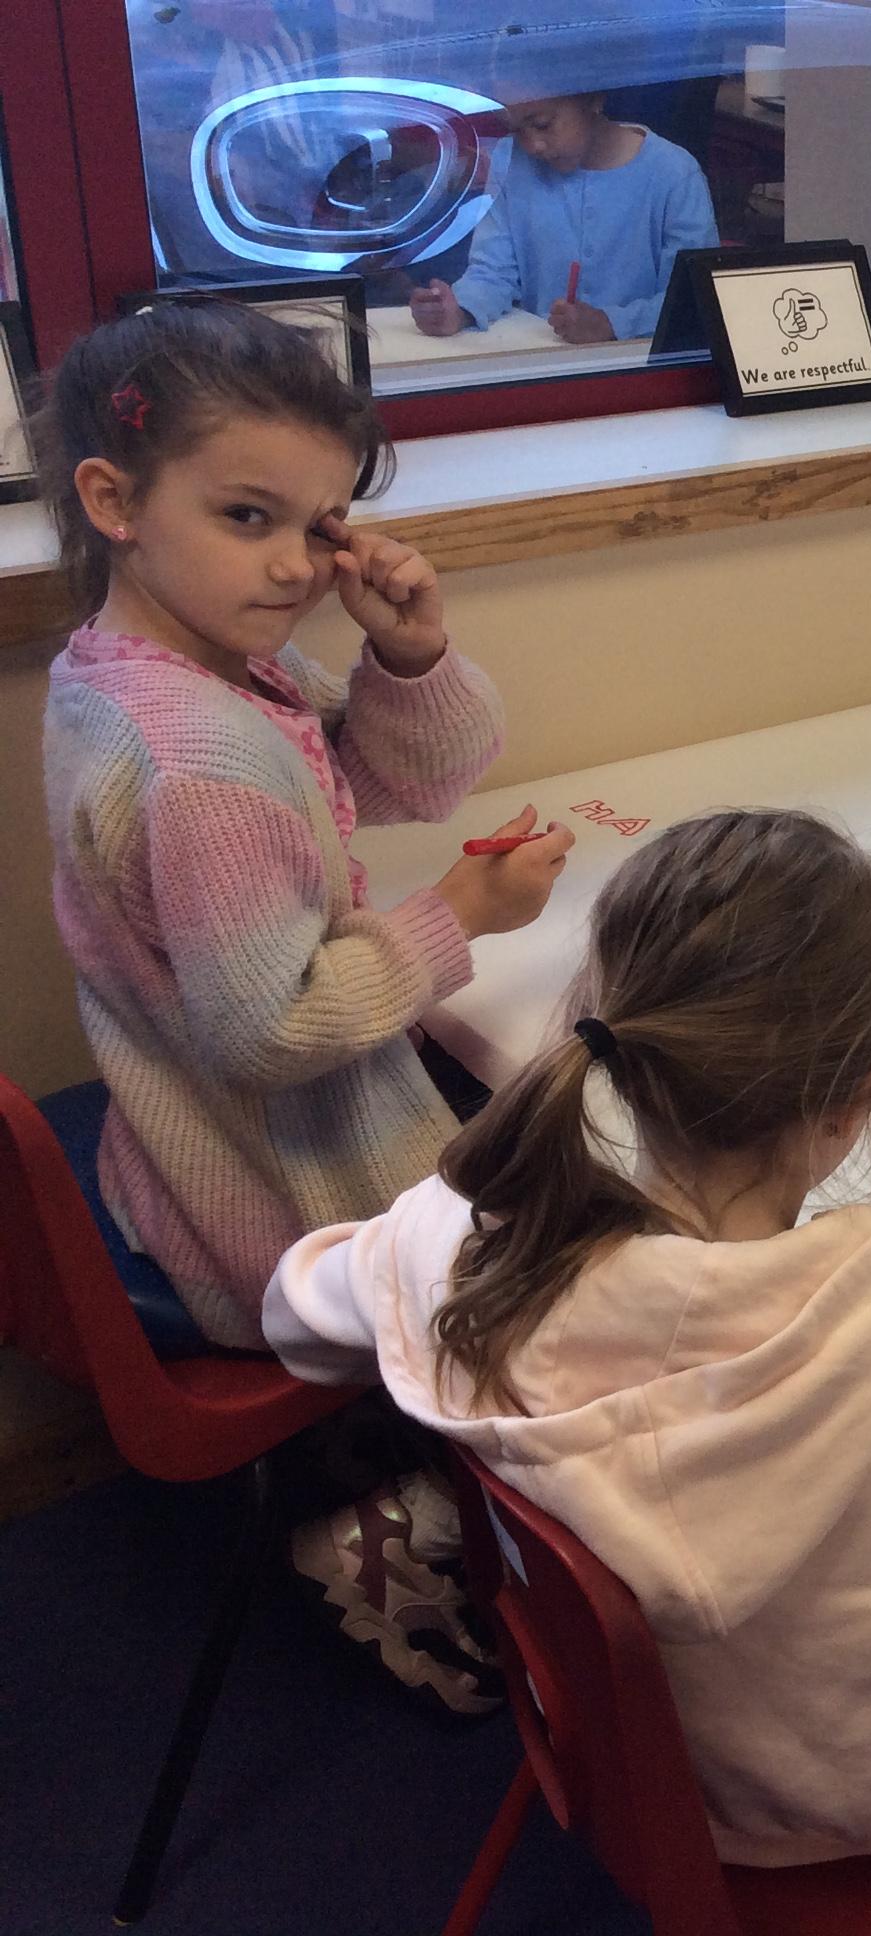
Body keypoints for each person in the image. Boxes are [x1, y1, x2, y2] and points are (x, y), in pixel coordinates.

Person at [265, 810, 871, 1888]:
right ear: (859, 1101)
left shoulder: (464, 1233)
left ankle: (424, 1519)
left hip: (645, 1765)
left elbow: (294, 1314)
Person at [38, 298, 567, 1711]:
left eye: (320, 524)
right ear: (114, 500)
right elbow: (267, 1029)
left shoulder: (158, 669)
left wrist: (409, 654)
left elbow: (393, 781)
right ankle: (403, 1525)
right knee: (578, 1237)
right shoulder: (200, 756)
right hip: (280, 1208)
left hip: (181, 1150)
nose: (295, 564)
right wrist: (455, 918)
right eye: (248, 516)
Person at [409, 87, 719, 344]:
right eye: (517, 130)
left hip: (644, 369)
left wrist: (612, 323)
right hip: (542, 364)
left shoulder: (673, 174)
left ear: (594, 99)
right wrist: (460, 309)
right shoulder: (511, 159)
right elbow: (493, 271)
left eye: (543, 124)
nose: (532, 146)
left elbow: (693, 299)